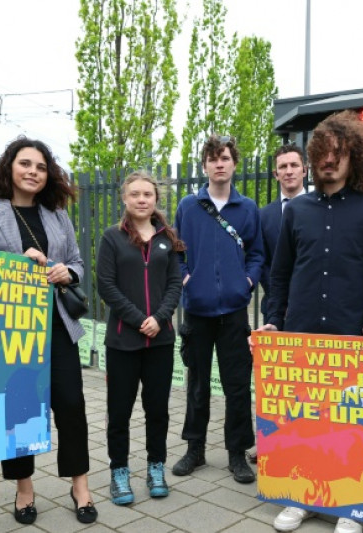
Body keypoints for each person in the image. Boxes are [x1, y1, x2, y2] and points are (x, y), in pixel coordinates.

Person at [261, 110, 363, 533]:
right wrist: (274, 321)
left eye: (339, 153)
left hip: (351, 332)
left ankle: (350, 506)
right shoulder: (296, 211)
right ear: (314, 158)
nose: (329, 160)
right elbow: (280, 273)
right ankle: (301, 499)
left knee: (349, 422)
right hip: (300, 332)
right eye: (323, 153)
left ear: (355, 157)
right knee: (304, 419)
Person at [0, 137, 96, 525]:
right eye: (25, 164)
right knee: (17, 411)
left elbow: (77, 263)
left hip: (55, 325)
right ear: (9, 167)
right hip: (9, 330)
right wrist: (17, 265)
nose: (33, 172)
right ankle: (24, 489)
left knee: (71, 406)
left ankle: (80, 485)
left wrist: (67, 272)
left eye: (40, 166)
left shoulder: (56, 213)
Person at [172, 134, 263, 484]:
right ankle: (194, 449)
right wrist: (185, 278)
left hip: (234, 312)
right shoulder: (188, 206)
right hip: (197, 310)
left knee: (237, 385)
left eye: (225, 157)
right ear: (205, 165)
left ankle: (237, 453)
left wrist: (248, 281)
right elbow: (177, 251)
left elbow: (256, 253)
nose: (219, 163)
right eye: (213, 158)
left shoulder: (248, 208)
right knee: (197, 384)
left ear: (234, 163)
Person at [96, 171, 183, 505]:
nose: (142, 199)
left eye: (148, 194)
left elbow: (175, 283)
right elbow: (107, 285)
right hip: (123, 342)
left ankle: (155, 467)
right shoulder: (112, 237)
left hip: (160, 341)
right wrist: (138, 320)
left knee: (157, 410)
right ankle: (119, 472)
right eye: (135, 194)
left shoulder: (167, 238)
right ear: (125, 198)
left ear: (156, 199)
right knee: (119, 412)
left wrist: (159, 319)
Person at [259, 143, 307, 321]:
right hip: (275, 311)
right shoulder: (263, 216)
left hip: (313, 309)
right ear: (275, 174)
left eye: (294, 165)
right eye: (283, 166)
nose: (288, 171)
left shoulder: (323, 210)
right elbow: (262, 263)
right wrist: (281, 301)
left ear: (304, 170)